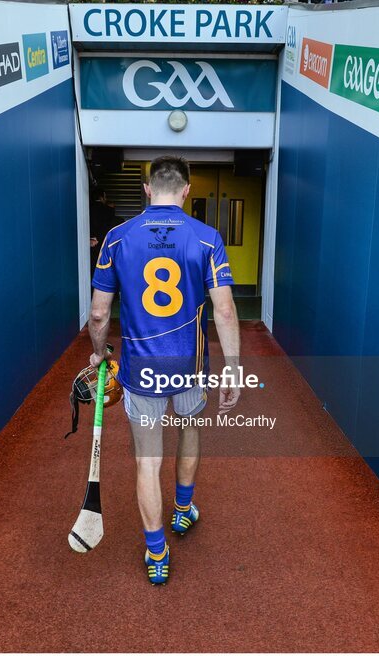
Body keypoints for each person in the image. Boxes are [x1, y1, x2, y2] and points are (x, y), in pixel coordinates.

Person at [87, 156, 241, 585]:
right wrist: (232, 369)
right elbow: (225, 311)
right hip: (188, 366)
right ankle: (183, 510)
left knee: (146, 461)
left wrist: (99, 356)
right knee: (190, 429)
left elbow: (99, 315)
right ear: (187, 190)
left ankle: (157, 553)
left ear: (148, 190)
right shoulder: (208, 239)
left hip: (141, 369)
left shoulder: (117, 238)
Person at [89, 188, 116, 277]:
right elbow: (108, 228)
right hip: (102, 245)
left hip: (88, 246)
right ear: (102, 197)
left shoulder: (86, 209)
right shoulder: (109, 211)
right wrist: (98, 238)